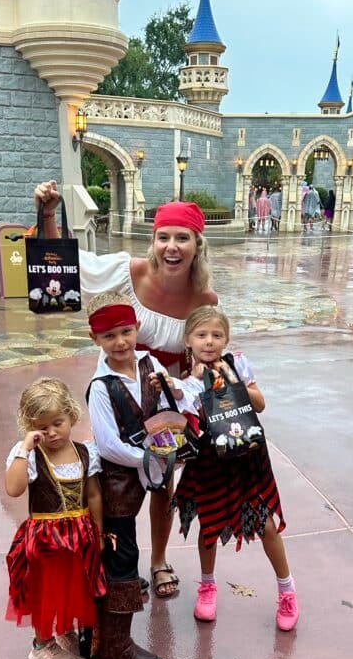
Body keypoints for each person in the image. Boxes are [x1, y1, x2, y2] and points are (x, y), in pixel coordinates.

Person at [33, 182, 218, 600]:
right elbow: (64, 266)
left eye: (182, 238)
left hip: (161, 395)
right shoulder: (126, 270)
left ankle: (159, 560)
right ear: (154, 241)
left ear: (197, 244)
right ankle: (120, 561)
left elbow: (204, 349)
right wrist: (47, 215)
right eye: (164, 237)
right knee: (119, 477)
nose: (172, 247)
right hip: (118, 389)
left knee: (162, 479)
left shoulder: (206, 297)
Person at [86, 291, 193, 659]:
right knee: (119, 556)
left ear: (137, 330)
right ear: (95, 339)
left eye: (126, 332)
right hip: (118, 484)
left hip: (153, 468)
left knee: (128, 552)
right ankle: (114, 648)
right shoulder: (101, 386)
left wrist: (176, 397)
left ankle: (101, 633)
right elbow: (108, 445)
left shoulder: (149, 365)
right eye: (110, 336)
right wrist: (152, 459)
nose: (120, 342)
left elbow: (171, 404)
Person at [173, 306, 298, 632]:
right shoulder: (186, 382)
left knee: (266, 524)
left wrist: (233, 383)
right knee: (209, 524)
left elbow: (259, 403)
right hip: (210, 460)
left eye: (216, 335)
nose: (209, 341)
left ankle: (287, 590)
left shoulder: (236, 364)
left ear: (226, 339)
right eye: (201, 335)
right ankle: (207, 585)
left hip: (246, 456)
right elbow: (187, 421)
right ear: (189, 340)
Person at [4, 378, 106, 659]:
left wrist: (99, 530)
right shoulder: (31, 456)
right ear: (30, 426)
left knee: (74, 587)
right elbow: (13, 489)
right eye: (42, 427)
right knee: (47, 591)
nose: (51, 433)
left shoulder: (86, 452)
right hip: (46, 540)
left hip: (80, 536)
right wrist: (25, 446)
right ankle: (41, 645)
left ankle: (64, 630)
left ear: (71, 415)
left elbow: (94, 493)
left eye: (57, 423)